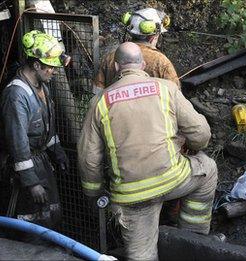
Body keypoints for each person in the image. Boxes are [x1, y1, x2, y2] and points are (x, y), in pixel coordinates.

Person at [78, 42, 218, 260]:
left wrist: (94, 194)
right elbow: (201, 133)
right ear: (142, 65)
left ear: (116, 67)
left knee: (141, 256)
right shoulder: (167, 89)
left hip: (131, 196)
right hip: (173, 179)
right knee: (207, 168)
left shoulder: (99, 102)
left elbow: (89, 158)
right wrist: (194, 149)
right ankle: (193, 238)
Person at [0, 30, 69, 229]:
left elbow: (47, 127)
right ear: (36, 65)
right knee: (32, 219)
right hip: (26, 167)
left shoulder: (42, 86)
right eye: (49, 67)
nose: (53, 71)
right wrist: (31, 183)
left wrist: (58, 152)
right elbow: (18, 142)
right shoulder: (16, 96)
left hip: (42, 162)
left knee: (51, 214)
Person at [93, 8, 180, 93]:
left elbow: (97, 92)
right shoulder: (162, 62)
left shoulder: (110, 58)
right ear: (154, 37)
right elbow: (176, 94)